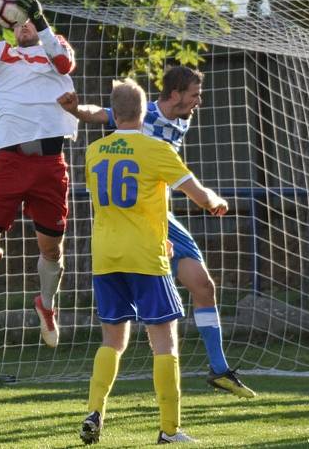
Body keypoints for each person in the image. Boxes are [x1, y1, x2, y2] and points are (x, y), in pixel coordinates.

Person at [59, 66, 256, 398]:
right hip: (143, 223)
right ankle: (162, 404)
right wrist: (76, 110)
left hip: (159, 219)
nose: (199, 101)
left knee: (203, 285)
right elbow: (99, 114)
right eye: (194, 94)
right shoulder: (143, 112)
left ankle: (219, 370)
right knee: (150, 322)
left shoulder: (184, 119)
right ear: (176, 94)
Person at [80, 79, 229, 444]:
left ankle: (95, 410)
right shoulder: (155, 148)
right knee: (165, 344)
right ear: (144, 111)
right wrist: (216, 202)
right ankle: (169, 429)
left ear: (114, 114)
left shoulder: (95, 152)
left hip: (104, 255)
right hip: (146, 255)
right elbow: (197, 194)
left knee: (112, 340)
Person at [0, 0, 77, 347]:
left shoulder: (55, 45)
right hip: (10, 162)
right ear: (8, 24)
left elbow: (65, 64)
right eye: (18, 22)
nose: (24, 27)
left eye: (29, 22)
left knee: (51, 250)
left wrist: (39, 17)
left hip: (49, 163)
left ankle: (46, 303)